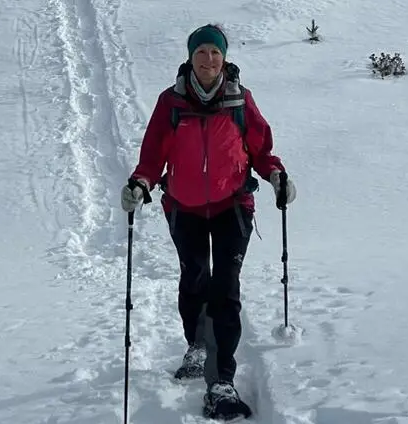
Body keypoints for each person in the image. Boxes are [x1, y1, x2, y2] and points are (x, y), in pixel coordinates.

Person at [119, 23, 297, 421]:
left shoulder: (240, 101)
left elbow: (262, 149)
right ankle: (197, 345)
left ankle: (221, 381)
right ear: (190, 57)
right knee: (195, 276)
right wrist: (140, 183)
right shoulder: (172, 103)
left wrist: (276, 176)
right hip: (184, 207)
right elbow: (152, 157)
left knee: (225, 288)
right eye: (202, 52)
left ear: (224, 58)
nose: (209, 60)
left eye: (215, 53)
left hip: (232, 205)